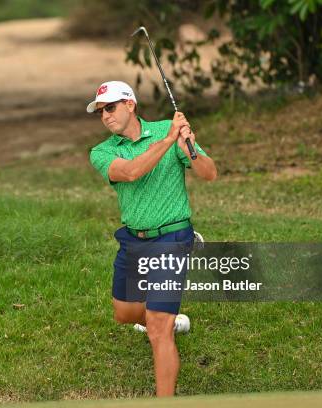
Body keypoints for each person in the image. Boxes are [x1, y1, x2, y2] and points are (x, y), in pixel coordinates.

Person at [87, 81, 217, 397]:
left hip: (172, 236)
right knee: (125, 314)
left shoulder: (167, 130)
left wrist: (188, 145)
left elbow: (209, 173)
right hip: (133, 241)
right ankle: (169, 316)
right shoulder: (102, 151)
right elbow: (132, 172)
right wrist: (170, 139)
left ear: (130, 104)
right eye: (100, 110)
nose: (105, 115)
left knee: (157, 328)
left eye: (111, 107)